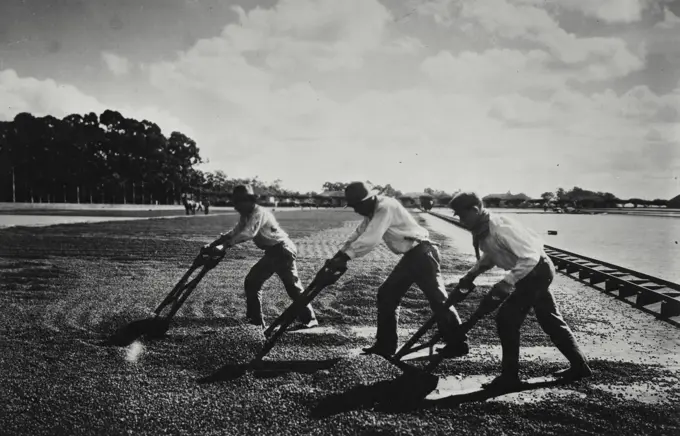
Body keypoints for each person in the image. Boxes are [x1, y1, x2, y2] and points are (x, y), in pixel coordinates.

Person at [450, 191, 592, 390]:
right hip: (531, 272)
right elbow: (493, 254)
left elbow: (530, 257)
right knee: (549, 318)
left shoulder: (500, 228)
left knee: (506, 320)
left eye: (463, 215)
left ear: (475, 209)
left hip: (536, 272)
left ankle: (510, 377)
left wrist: (507, 282)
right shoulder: (484, 229)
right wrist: (472, 274)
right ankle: (580, 366)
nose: (462, 220)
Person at [327, 181, 469, 358]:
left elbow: (371, 238)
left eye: (356, 205)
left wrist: (346, 257)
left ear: (368, 200)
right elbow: (359, 233)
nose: (355, 210)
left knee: (438, 299)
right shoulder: (373, 210)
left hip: (423, 254)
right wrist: (339, 254)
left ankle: (458, 343)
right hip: (414, 255)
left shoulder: (385, 207)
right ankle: (385, 347)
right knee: (387, 294)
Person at [206, 184, 318, 329]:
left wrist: (225, 246)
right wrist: (213, 244)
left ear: (249, 201)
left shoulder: (259, 213)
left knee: (267, 283)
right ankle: (257, 322)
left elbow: (248, 233)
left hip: (282, 250)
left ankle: (260, 322)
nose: (236, 207)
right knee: (262, 283)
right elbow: (235, 232)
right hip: (275, 251)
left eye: (238, 202)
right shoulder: (246, 215)